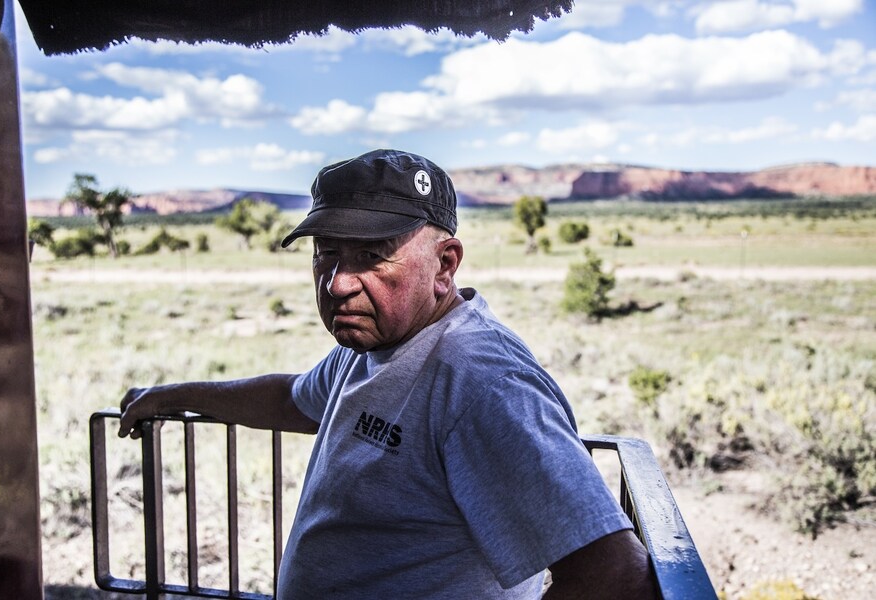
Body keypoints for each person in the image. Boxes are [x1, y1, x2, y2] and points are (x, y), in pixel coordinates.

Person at [119, 149, 655, 599]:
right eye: (326, 253)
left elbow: (613, 572)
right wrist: (171, 396)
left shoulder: (480, 383)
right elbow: (293, 398)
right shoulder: (373, 344)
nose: (336, 284)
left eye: (372, 257)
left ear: (445, 265)